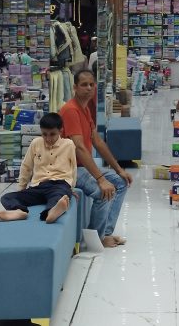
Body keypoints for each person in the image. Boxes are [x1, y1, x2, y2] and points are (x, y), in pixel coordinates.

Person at [60, 69, 132, 248]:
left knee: (121, 182)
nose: (89, 88)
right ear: (75, 87)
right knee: (103, 192)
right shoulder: (70, 110)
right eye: (84, 85)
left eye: (91, 84)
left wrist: (119, 170)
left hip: (82, 167)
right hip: (70, 169)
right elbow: (79, 148)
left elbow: (98, 142)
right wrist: (100, 179)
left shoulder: (85, 109)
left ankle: (106, 232)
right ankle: (96, 239)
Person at [0, 112, 75, 223]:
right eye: (44, 134)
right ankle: (19, 211)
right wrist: (22, 189)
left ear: (60, 131)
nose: (48, 138)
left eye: (52, 134)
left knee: (59, 197)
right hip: (38, 187)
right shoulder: (36, 143)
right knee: (7, 197)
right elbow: (26, 166)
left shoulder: (69, 144)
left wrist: (71, 188)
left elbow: (73, 168)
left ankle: (52, 211)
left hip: (59, 184)